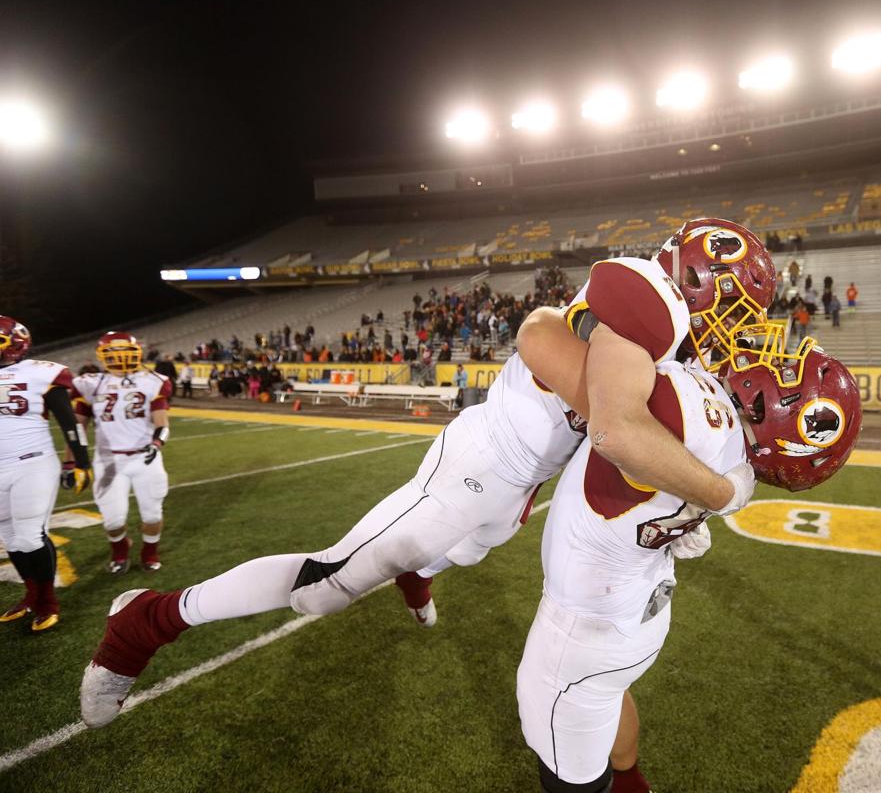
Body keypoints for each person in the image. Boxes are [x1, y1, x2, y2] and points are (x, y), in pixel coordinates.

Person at [80, 218, 777, 735]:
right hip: (484, 460)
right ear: (697, 278)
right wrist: (709, 488)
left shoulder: (667, 335)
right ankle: (144, 621)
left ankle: (418, 570)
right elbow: (616, 428)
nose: (740, 326)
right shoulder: (650, 297)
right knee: (325, 588)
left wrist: (673, 490)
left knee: (463, 547)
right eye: (739, 304)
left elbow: (612, 426)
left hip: (521, 483)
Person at [515, 331, 862, 793]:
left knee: (567, 770)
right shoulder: (733, 455)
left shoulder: (688, 408)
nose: (771, 357)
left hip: (584, 626)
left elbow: (539, 339)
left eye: (785, 375)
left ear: (778, 412)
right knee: (607, 695)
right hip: (638, 616)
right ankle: (633, 783)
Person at [0, 316, 93, 632]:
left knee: (29, 535)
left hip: (32, 463)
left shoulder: (42, 372)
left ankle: (48, 602)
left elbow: (69, 422)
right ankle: (31, 595)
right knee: (10, 537)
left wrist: (80, 462)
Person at [74, 332, 172, 574]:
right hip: (108, 460)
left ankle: (149, 552)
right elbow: (77, 427)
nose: (120, 357)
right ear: (102, 355)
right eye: (113, 353)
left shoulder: (153, 380)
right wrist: (73, 461)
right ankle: (120, 551)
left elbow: (162, 423)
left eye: (124, 352)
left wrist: (157, 443)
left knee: (152, 514)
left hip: (145, 456)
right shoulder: (90, 383)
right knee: (113, 519)